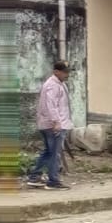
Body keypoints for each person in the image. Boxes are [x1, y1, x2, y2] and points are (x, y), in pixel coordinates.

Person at [28, 61, 72, 190]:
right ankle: (53, 181)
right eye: (64, 72)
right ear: (56, 72)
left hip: (49, 124)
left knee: (48, 152)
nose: (67, 74)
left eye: (68, 72)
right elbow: (51, 105)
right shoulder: (53, 85)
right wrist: (56, 122)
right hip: (53, 125)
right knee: (54, 154)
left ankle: (34, 177)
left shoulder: (59, 84)